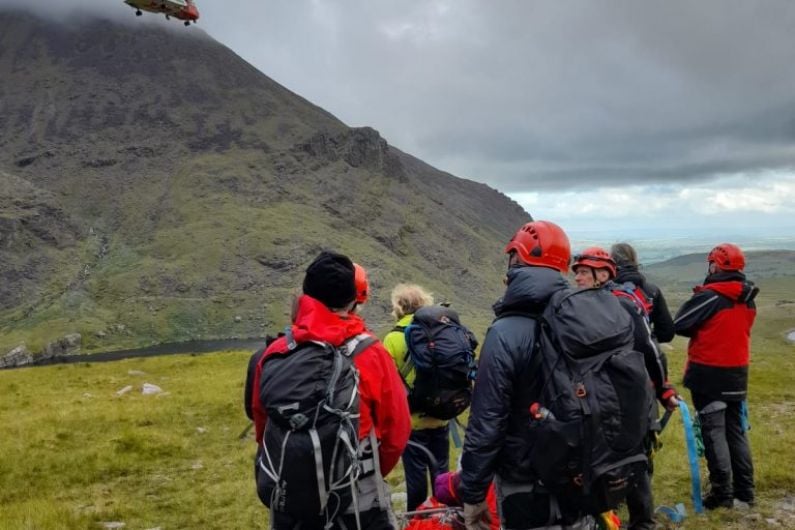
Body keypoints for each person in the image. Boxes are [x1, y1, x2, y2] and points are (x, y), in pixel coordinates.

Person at [250, 251, 411, 529]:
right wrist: (367, 474)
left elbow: (262, 424)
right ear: (355, 299)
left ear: (306, 294)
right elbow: (397, 430)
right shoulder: (372, 352)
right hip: (357, 498)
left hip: (289, 493)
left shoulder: (276, 352)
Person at [458, 220, 598, 530]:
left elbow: (487, 422)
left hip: (524, 482)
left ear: (516, 261)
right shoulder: (585, 320)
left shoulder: (505, 333)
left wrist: (473, 492)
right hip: (583, 474)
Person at [572, 248, 677, 530]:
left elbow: (650, 350)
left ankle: (643, 522)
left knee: (634, 456)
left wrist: (663, 389)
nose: (578, 277)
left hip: (630, 398)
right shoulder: (573, 308)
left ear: (604, 274)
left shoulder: (625, 306)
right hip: (595, 399)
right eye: (577, 272)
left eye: (584, 272)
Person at [674, 243, 758, 509]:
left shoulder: (711, 296)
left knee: (713, 433)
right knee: (736, 432)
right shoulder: (747, 297)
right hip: (737, 372)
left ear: (715, 266)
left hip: (709, 374)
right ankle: (745, 492)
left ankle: (722, 494)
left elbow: (680, 323)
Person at [383, 284, 451, 512]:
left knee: (415, 479)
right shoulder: (441, 331)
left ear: (399, 307)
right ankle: (445, 520)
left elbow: (390, 386)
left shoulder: (392, 339)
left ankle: (417, 521)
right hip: (442, 415)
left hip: (411, 421)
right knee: (442, 474)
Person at [610, 243, 675, 343]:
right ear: (634, 261)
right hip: (644, 355)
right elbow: (666, 333)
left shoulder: (603, 292)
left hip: (613, 355)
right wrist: (645, 338)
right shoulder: (652, 291)